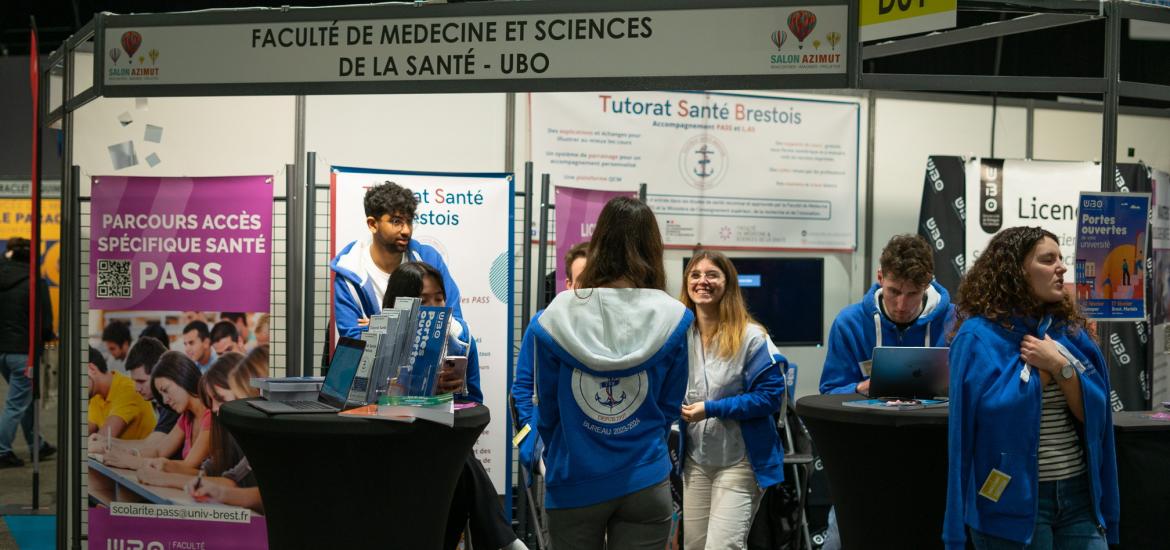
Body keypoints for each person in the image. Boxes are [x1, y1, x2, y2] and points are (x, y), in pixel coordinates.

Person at [527, 197, 693, 549]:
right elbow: (668, 407)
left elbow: (548, 410)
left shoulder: (559, 316)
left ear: (600, 242)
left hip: (575, 477)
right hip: (645, 477)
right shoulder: (672, 317)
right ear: (652, 247)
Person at [944, 226, 1119, 550]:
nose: (1062, 267)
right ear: (1017, 272)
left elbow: (1095, 416)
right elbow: (970, 430)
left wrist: (1059, 366)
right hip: (1009, 505)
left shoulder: (1069, 333)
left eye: (1061, 258)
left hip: (1078, 496)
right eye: (1048, 259)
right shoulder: (977, 338)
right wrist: (1039, 376)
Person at [380, 263, 523, 550]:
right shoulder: (383, 335)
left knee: (456, 466)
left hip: (444, 445)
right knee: (459, 468)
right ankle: (503, 542)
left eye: (440, 298)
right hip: (396, 452)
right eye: (424, 300)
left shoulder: (461, 337)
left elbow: (477, 403)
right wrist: (418, 389)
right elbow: (372, 406)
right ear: (403, 303)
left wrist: (455, 393)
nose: (435, 307)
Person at [677, 251, 787, 550]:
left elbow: (770, 397)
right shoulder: (679, 335)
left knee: (723, 547)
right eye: (695, 274)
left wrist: (712, 409)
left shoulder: (751, 336)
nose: (703, 281)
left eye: (712, 274)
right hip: (696, 461)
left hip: (741, 461)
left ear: (728, 283)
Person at [819, 234, 955, 395]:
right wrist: (859, 389)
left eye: (912, 294)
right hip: (869, 420)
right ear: (880, 277)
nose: (902, 306)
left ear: (926, 284)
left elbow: (973, 391)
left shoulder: (954, 321)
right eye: (894, 291)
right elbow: (829, 392)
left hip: (931, 420)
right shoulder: (849, 324)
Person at [137, 348, 268, 514]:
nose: (214, 409)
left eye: (220, 399)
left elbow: (262, 493)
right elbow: (223, 476)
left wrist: (165, 476)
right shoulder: (232, 431)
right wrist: (165, 466)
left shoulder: (255, 433)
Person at [330, 180, 462, 340]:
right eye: (396, 222)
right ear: (372, 224)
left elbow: (454, 323)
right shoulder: (350, 270)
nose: (406, 230)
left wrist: (381, 326)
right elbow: (353, 339)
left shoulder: (429, 259)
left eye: (409, 221)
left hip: (427, 361)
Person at [513, 241, 588, 483]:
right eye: (583, 280)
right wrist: (530, 436)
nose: (590, 288)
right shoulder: (543, 325)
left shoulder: (615, 329)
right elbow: (523, 387)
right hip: (552, 446)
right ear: (568, 285)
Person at [97, 351, 216, 473]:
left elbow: (188, 465)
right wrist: (127, 454)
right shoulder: (187, 416)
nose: (165, 400)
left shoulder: (210, 414)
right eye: (161, 394)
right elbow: (159, 451)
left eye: (166, 390)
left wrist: (133, 462)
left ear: (182, 377)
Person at [0, 237, 56, 467]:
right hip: (24, 353)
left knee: (25, 399)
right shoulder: (35, 282)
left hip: (2, 352)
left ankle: (37, 445)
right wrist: (48, 341)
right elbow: (44, 325)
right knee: (16, 403)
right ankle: (2, 451)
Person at [87, 345, 156, 439]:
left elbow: (101, 440)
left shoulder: (128, 389)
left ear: (92, 369)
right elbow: (87, 429)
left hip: (143, 453)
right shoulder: (96, 394)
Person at [124, 336, 181, 440]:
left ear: (159, 372)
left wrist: (108, 444)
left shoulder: (172, 403)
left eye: (141, 381)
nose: (137, 389)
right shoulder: (161, 402)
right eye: (134, 381)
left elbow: (155, 447)